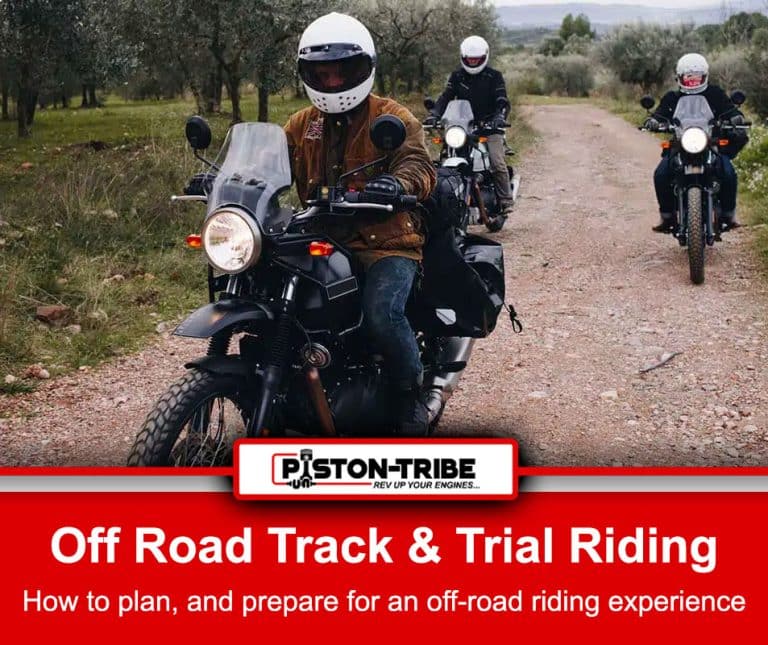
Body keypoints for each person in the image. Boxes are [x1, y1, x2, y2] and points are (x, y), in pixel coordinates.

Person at [284, 12, 437, 436]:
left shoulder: (392, 117)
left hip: (385, 241)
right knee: (278, 304)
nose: (332, 82)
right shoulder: (303, 123)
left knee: (383, 315)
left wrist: (396, 183)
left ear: (363, 68)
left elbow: (419, 165)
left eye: (343, 71)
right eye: (322, 73)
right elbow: (270, 159)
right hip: (320, 237)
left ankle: (410, 396)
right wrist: (230, 176)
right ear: (308, 73)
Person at [645, 52, 748, 232]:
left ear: (704, 76)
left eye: (696, 77)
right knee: (661, 174)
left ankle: (729, 214)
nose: (692, 80)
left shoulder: (715, 94)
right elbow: (660, 114)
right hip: (680, 144)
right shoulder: (671, 98)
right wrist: (653, 121)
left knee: (729, 173)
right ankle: (666, 216)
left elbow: (729, 110)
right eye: (688, 77)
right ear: (679, 78)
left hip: (710, 143)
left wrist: (736, 117)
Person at [425, 35, 515, 217]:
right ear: (463, 57)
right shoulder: (457, 76)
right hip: (462, 127)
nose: (473, 63)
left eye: (476, 59)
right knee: (439, 160)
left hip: (489, 127)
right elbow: (445, 97)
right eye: (470, 59)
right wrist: (435, 114)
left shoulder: (494, 76)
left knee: (497, 162)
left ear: (484, 57)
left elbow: (501, 100)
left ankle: (505, 200)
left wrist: (499, 117)